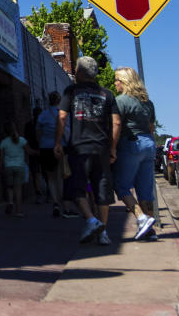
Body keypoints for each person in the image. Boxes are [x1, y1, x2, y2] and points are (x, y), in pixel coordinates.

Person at [54, 56, 121, 245]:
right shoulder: (107, 94)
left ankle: (91, 220)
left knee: (77, 188)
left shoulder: (71, 91)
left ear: (81, 73)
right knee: (102, 192)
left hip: (79, 147)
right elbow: (116, 122)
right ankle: (103, 233)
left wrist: (58, 142)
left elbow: (62, 117)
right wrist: (113, 147)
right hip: (102, 148)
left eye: (76, 69)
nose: (74, 72)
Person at [112, 66, 158, 240]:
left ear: (124, 82)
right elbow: (152, 127)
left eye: (117, 79)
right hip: (149, 144)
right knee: (145, 191)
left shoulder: (121, 101)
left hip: (131, 144)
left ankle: (141, 217)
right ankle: (151, 230)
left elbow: (117, 125)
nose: (115, 83)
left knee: (121, 186)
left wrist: (112, 148)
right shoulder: (148, 102)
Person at [37, 92, 73, 217]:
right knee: (61, 176)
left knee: (51, 178)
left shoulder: (43, 114)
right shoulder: (63, 113)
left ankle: (56, 203)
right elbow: (67, 130)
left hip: (45, 147)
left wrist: (41, 142)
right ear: (59, 101)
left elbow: (38, 131)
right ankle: (65, 205)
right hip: (61, 146)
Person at [0, 120, 33, 217]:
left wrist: (0, 168)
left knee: (9, 187)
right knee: (18, 190)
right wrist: (38, 152)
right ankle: (18, 211)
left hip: (8, 167)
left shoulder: (3, 142)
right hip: (19, 167)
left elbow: (1, 158)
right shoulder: (21, 140)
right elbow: (29, 151)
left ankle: (10, 202)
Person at [24, 107, 44, 202]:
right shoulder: (30, 125)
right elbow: (26, 139)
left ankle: (41, 192)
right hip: (37, 151)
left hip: (41, 150)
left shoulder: (33, 125)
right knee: (37, 172)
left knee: (41, 172)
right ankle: (39, 192)